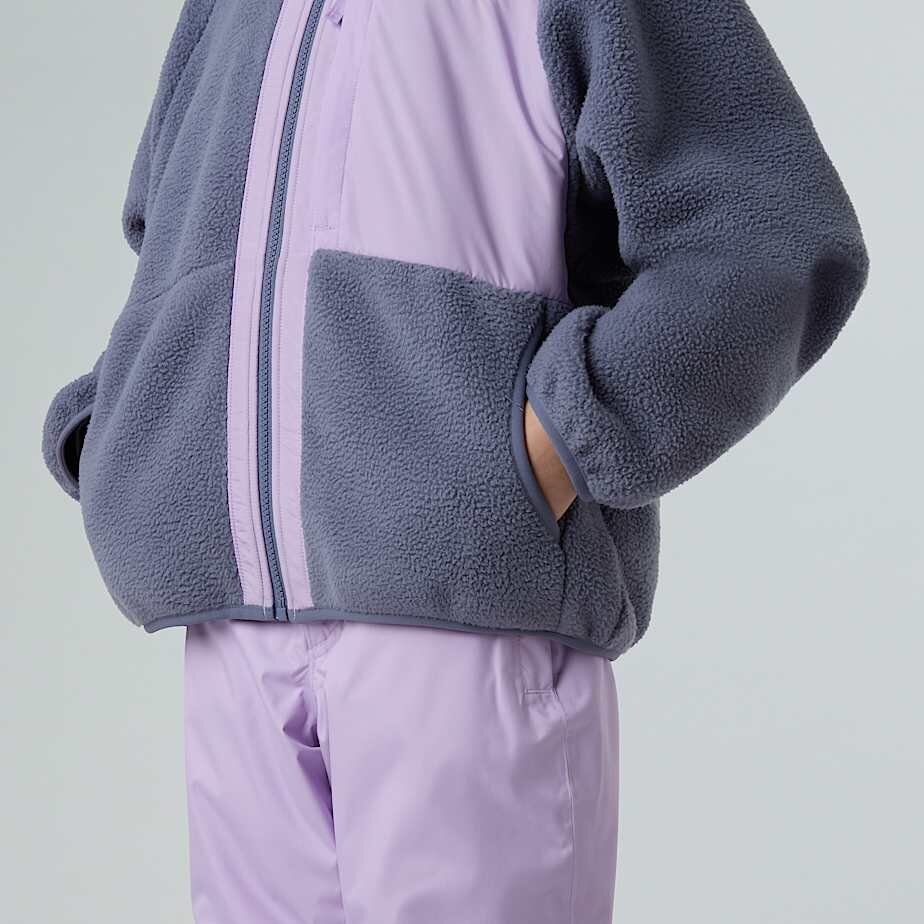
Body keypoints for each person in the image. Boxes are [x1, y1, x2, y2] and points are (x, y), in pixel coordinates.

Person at [40, 1, 869, 921]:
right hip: (231, 630)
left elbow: (769, 236)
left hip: (469, 623)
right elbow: (173, 241)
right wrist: (125, 434)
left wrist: (550, 450)